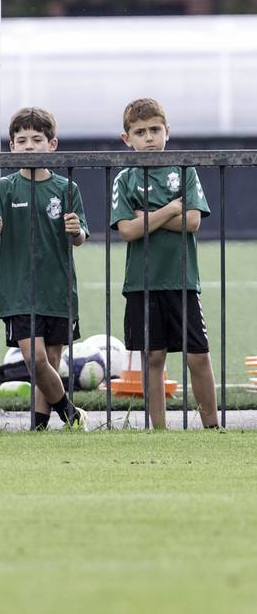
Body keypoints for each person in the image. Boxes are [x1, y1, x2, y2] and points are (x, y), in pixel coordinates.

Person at [109, 98, 218, 430]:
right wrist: (171, 210)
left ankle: (212, 426)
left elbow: (195, 220)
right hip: (141, 282)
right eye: (140, 132)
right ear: (127, 139)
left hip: (182, 280)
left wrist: (147, 217)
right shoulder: (125, 179)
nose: (149, 137)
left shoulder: (184, 170)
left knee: (197, 355)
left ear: (167, 131)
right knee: (153, 358)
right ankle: (158, 430)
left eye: (155, 130)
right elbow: (127, 229)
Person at [0, 108, 86, 431]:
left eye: (36, 139)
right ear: (11, 146)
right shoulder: (4, 188)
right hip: (19, 290)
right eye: (21, 140)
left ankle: (37, 429)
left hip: (59, 287)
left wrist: (76, 230)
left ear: (51, 144)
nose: (28, 146)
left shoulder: (67, 189)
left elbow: (81, 238)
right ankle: (71, 414)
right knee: (35, 360)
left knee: (51, 361)